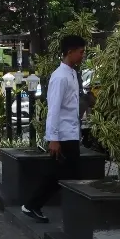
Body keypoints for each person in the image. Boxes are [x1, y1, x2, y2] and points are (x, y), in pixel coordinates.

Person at [22, 35, 85, 223]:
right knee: (61, 174)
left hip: (71, 133)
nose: (83, 56)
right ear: (70, 52)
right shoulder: (60, 77)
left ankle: (34, 205)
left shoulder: (72, 73)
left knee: (63, 173)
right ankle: (32, 205)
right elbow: (54, 109)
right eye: (80, 52)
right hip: (63, 134)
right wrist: (53, 138)